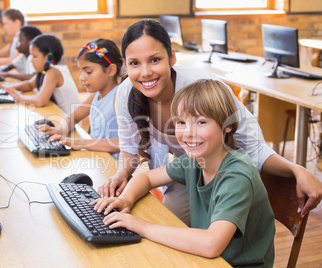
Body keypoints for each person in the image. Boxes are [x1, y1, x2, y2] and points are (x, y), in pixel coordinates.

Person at [99, 19, 322, 225]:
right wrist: (121, 174)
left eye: (155, 60)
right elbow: (129, 150)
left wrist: (296, 170)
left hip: (224, 175)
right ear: (126, 66)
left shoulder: (204, 88)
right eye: (135, 63)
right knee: (166, 225)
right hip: (186, 171)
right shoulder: (128, 92)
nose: (145, 72)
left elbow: (254, 147)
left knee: (208, 240)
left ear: (172, 57)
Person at [92, 79, 275, 267]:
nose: (188, 133)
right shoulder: (195, 159)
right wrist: (125, 200)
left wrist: (142, 227)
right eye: (181, 122)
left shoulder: (236, 176)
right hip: (204, 259)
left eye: (201, 122)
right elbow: (146, 177)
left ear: (227, 125)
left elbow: (211, 244)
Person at [37, 39, 123, 159]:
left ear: (110, 70)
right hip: (98, 158)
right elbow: (73, 116)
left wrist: (79, 142)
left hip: (114, 168)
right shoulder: (97, 95)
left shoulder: (119, 97)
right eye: (80, 71)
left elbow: (124, 143)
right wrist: (61, 130)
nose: (82, 77)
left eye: (88, 72)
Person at [0, 33, 80, 112]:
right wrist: (8, 88)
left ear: (48, 57)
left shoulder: (54, 72)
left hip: (70, 123)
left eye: (35, 56)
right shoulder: (46, 70)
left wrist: (19, 97)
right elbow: (29, 84)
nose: (31, 60)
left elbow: (40, 101)